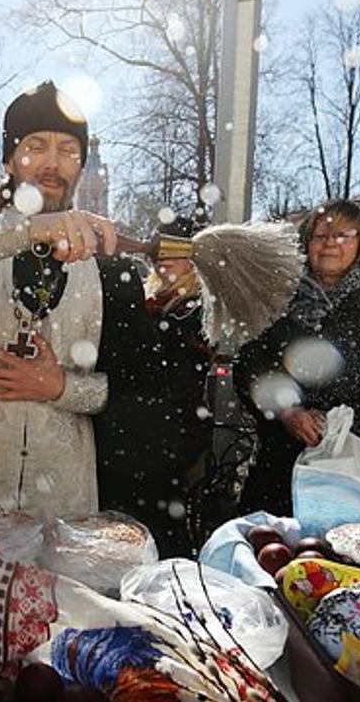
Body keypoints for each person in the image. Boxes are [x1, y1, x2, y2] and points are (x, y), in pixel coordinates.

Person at [0, 81, 185, 554]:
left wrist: (64, 388)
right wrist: (27, 229)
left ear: (81, 166)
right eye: (35, 146)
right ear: (9, 160)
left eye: (68, 150)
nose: (52, 162)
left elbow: (151, 401)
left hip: (71, 527)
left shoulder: (114, 272)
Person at [232, 200, 360, 517]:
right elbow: (249, 367)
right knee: (269, 551)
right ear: (306, 243)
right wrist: (286, 410)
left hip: (356, 467)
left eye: (345, 235)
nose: (331, 243)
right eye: (321, 235)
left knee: (343, 558)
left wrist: (341, 424)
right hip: (280, 463)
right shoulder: (277, 300)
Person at [142, 216, 222, 545]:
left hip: (176, 436)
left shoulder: (194, 309)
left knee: (165, 532)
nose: (162, 262)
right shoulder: (156, 302)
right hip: (149, 433)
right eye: (157, 252)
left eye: (172, 251)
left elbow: (176, 376)